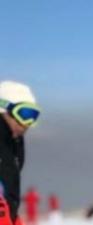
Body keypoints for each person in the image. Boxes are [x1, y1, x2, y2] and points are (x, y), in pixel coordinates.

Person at [0, 81, 41, 225]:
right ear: (4, 108)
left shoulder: (14, 143)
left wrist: (13, 217)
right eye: (24, 113)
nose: (27, 123)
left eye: (33, 115)